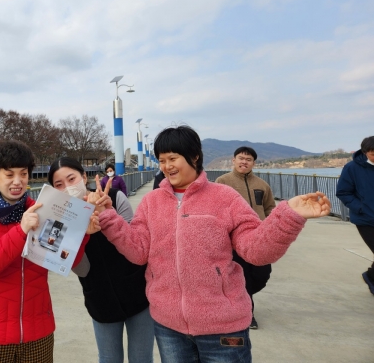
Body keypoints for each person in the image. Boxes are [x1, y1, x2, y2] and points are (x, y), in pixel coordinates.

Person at [97, 126, 331, 363]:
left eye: (173, 158)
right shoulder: (151, 202)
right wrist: (108, 216)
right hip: (169, 326)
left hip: (223, 327)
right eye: (162, 160)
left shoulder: (225, 197)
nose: (166, 166)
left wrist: (289, 216)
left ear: (194, 156)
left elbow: (256, 250)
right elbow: (138, 251)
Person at [0, 140, 99, 363]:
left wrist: (84, 233)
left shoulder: (44, 210)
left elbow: (65, 259)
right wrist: (21, 230)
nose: (17, 182)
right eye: (9, 175)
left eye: (23, 174)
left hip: (38, 329)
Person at [48, 157, 154, 363]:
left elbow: (135, 247)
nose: (67, 187)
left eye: (71, 179)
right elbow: (81, 269)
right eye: (59, 184)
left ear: (84, 177)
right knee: (108, 358)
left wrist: (106, 213)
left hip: (138, 292)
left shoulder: (114, 196)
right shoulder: (58, 220)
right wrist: (79, 232)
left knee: (142, 358)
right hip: (100, 299)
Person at [215, 146, 276, 329]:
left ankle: (240, 298)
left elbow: (270, 208)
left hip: (259, 238)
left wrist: (270, 226)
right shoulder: (222, 182)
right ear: (233, 160)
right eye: (241, 158)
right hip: (234, 239)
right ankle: (247, 312)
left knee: (262, 274)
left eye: (248, 159)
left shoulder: (262, 185)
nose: (244, 162)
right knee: (242, 275)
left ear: (253, 163)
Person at [336, 136, 374, 295]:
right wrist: (361, 208)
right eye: (373, 154)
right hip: (366, 219)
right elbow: (343, 192)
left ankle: (371, 276)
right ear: (365, 152)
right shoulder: (352, 168)